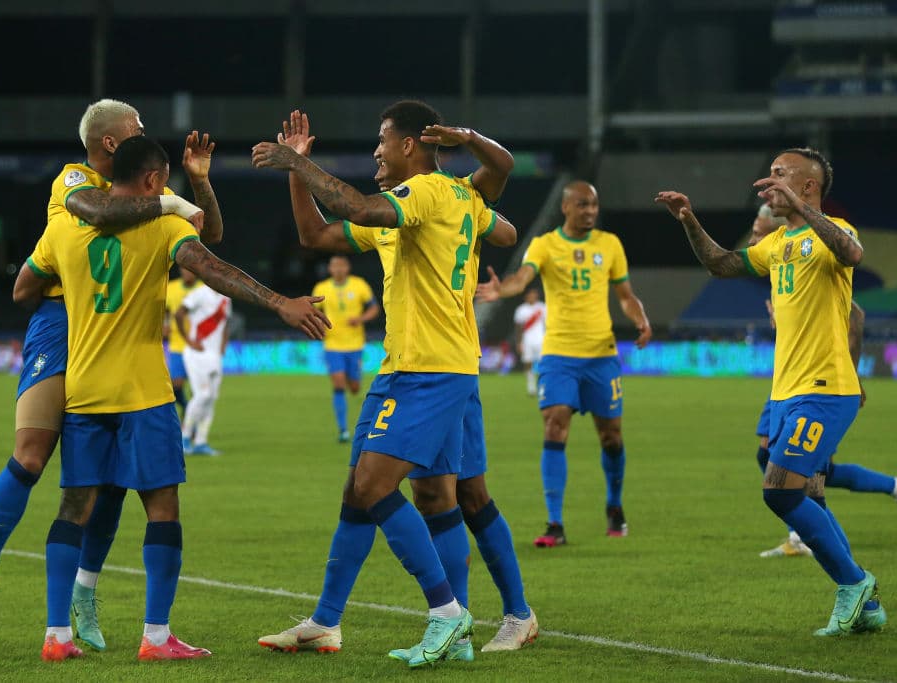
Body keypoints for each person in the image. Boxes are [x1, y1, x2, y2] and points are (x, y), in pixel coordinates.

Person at [15, 135, 329, 662]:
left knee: (73, 507)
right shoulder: (161, 226)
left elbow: (24, 287)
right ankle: (156, 638)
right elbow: (216, 266)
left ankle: (56, 636)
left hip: (85, 390)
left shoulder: (63, 226)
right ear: (156, 182)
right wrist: (279, 303)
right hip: (142, 392)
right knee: (162, 508)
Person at [256, 110, 536, 660]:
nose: (376, 153)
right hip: (413, 364)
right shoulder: (414, 209)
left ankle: (451, 614)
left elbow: (359, 205)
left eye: (381, 141)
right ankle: (327, 622)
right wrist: (299, 171)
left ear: (409, 144)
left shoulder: (430, 191)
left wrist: (297, 163)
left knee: (378, 486)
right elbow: (316, 233)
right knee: (420, 493)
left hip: (431, 368)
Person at [0, 98, 221, 646]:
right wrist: (168, 203)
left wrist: (194, 187)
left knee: (104, 482)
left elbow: (206, 233)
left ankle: (83, 592)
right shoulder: (74, 181)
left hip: (116, 320)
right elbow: (100, 218)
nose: (145, 132)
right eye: (137, 127)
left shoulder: (134, 186)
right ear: (110, 142)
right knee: (31, 456)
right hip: (62, 320)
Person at [655, 147, 883, 636]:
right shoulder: (778, 243)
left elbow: (853, 255)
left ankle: (854, 582)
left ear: (807, 187)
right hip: (786, 391)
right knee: (810, 495)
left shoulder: (833, 233)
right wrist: (689, 220)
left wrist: (802, 212)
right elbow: (721, 263)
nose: (768, 181)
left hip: (824, 387)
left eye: (779, 175)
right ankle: (866, 605)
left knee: (779, 491)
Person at [476, 181, 652, 547]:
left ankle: (614, 506)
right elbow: (522, 278)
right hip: (558, 356)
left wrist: (640, 318)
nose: (590, 211)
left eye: (594, 205)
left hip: (601, 356)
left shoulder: (610, 244)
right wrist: (503, 289)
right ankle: (554, 523)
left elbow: (625, 295)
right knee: (555, 426)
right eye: (583, 205)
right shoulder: (545, 245)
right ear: (566, 207)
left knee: (611, 435)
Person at [744, 206, 897, 557]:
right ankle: (894, 490)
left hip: (820, 384)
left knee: (810, 479)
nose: (753, 241)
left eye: (759, 233)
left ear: (783, 233)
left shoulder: (817, 265)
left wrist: (852, 376)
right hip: (787, 382)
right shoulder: (781, 273)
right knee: (772, 457)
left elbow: (855, 316)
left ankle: (847, 565)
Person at [311, 254, 379, 442]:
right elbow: (314, 311)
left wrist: (361, 319)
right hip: (332, 344)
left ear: (347, 268)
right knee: (338, 384)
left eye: (341, 266)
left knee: (355, 387)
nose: (338, 269)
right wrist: (319, 325)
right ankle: (343, 431)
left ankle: (353, 379)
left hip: (355, 344)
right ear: (330, 269)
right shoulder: (322, 288)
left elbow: (374, 308)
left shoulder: (359, 285)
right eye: (334, 266)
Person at [176, 282, 231, 456]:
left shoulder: (226, 298)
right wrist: (188, 340)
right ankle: (184, 438)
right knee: (202, 395)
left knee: (212, 398)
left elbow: (226, 324)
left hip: (214, 355)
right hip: (196, 353)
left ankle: (201, 441)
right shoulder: (200, 293)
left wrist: (222, 346)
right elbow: (179, 313)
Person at [164, 268, 200, 418]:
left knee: (197, 389)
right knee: (176, 384)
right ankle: (185, 406)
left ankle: (193, 421)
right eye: (184, 270)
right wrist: (164, 324)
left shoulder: (203, 290)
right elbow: (163, 310)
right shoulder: (171, 288)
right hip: (177, 345)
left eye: (190, 270)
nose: (186, 273)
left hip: (197, 346)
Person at [513, 287, 547, 397]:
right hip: (527, 341)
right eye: (530, 294)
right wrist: (518, 342)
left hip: (541, 340)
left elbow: (548, 325)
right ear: (526, 296)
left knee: (543, 364)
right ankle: (531, 387)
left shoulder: (542, 307)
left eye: (534, 294)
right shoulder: (521, 309)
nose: (532, 296)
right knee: (528, 363)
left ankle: (542, 387)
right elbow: (518, 328)